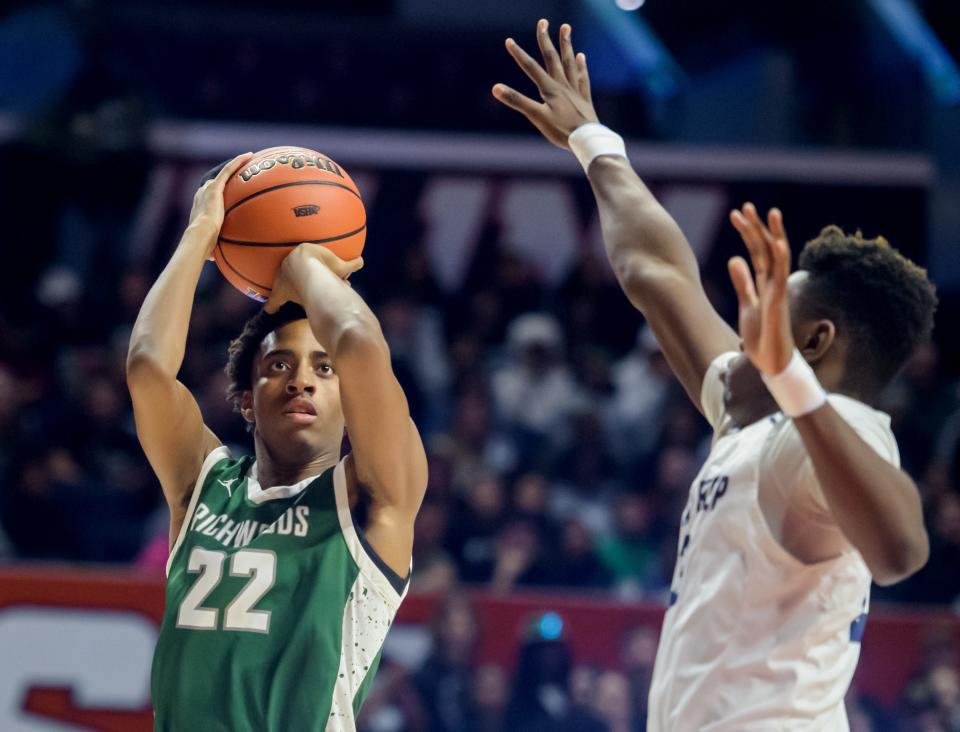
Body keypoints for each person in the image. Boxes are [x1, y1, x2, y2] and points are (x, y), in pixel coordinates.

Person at [494, 19, 937, 730]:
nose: (748, 312)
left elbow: (902, 548)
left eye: (773, 303)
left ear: (815, 342)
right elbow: (658, 273)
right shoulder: (750, 417)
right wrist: (595, 144)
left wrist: (791, 381)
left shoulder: (829, 433)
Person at [126, 154, 428, 730]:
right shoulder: (203, 488)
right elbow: (146, 369)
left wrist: (308, 265)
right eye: (279, 365)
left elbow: (361, 343)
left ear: (351, 403)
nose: (302, 379)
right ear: (245, 400)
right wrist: (199, 236)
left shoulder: (372, 498)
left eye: (323, 367)